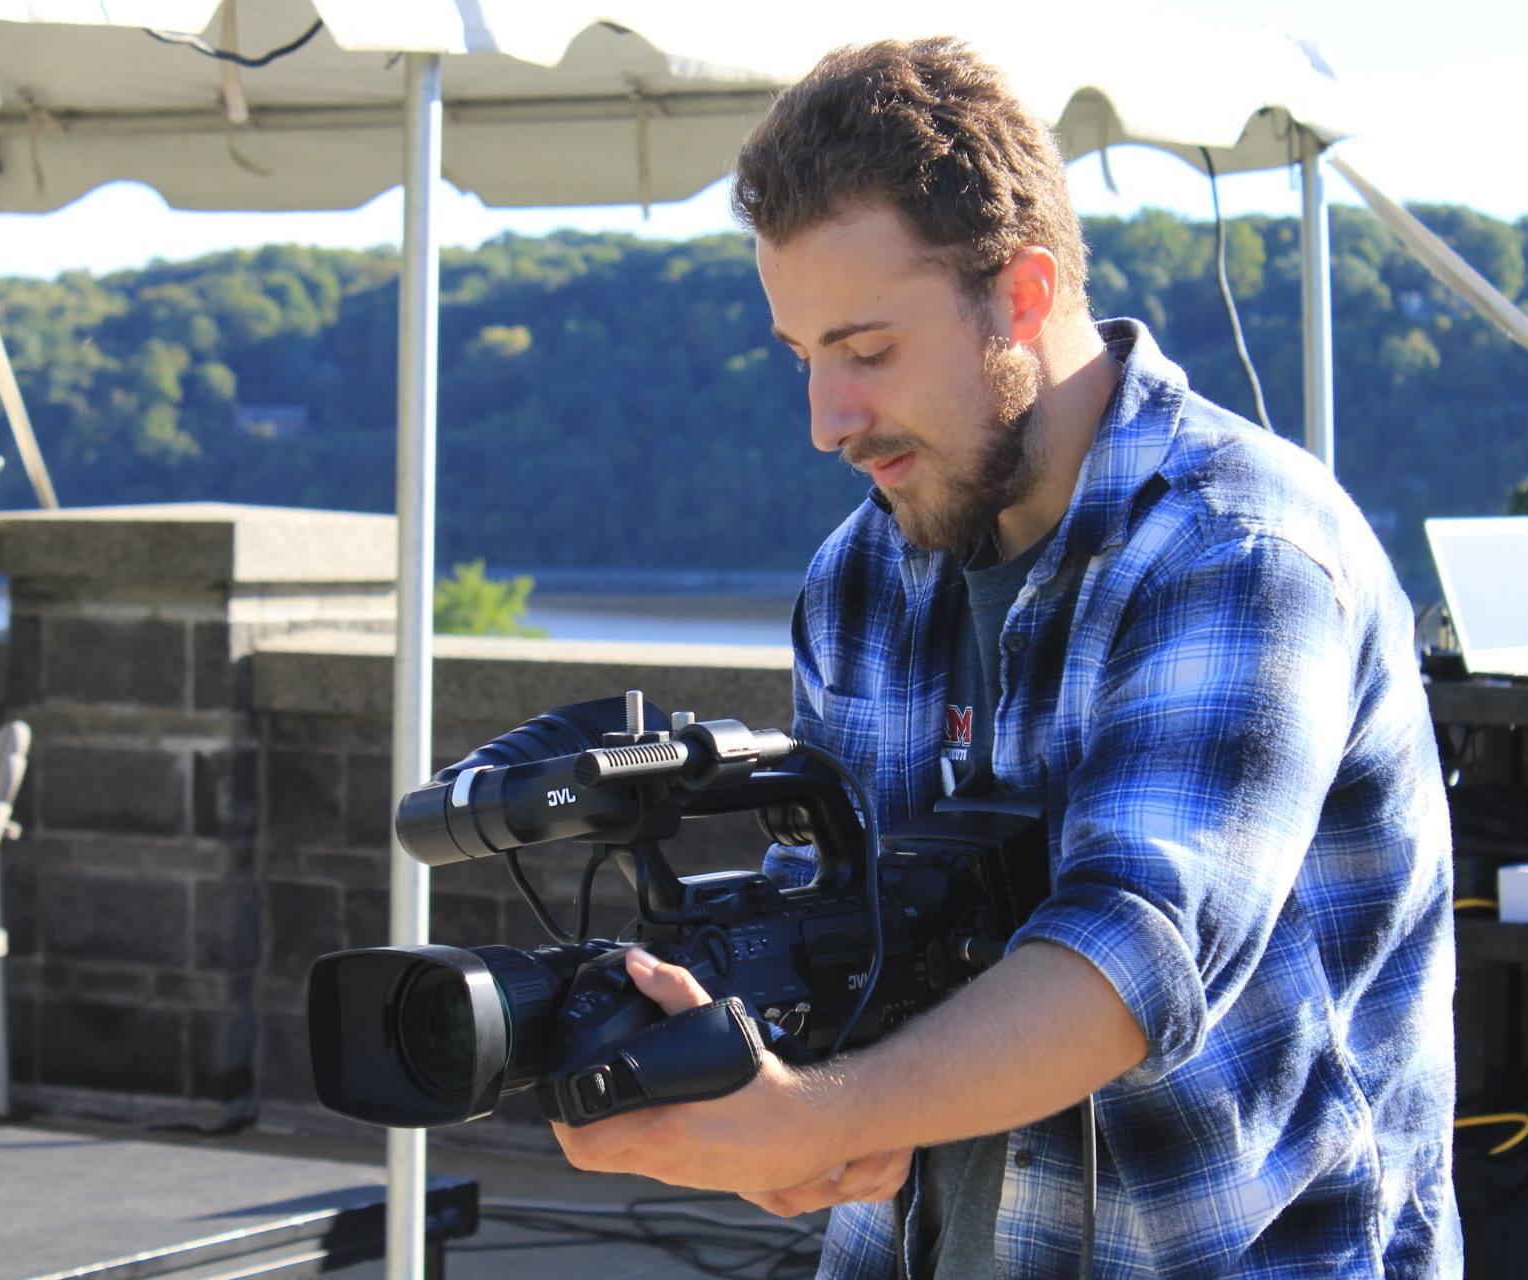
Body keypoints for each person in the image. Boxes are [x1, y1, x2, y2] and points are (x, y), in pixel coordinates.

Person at [555, 36, 1459, 1279]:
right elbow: (849, 921)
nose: (827, 418)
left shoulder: (1240, 550)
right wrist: (732, 1065)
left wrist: (819, 1113)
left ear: (1025, 295)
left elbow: (1131, 958)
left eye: (867, 350)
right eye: (803, 357)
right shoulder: (863, 573)